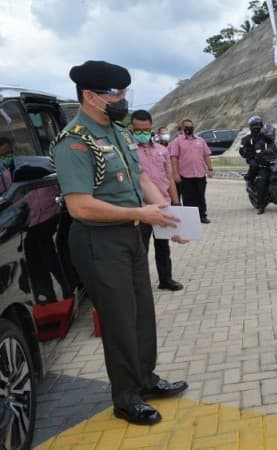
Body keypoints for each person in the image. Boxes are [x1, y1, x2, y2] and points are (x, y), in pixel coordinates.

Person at [51, 60, 188, 425]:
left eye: (125, 92)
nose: (123, 100)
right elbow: (80, 206)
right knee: (119, 319)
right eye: (116, 94)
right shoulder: (75, 142)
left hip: (130, 234)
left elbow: (141, 177)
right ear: (90, 96)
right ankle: (125, 397)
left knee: (142, 311)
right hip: (99, 241)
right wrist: (140, 213)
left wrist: (168, 213)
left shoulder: (119, 132)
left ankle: (145, 379)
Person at [130, 109, 183, 291]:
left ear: (151, 127)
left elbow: (169, 178)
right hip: (142, 209)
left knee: (163, 247)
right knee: (141, 249)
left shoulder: (162, 150)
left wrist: (176, 203)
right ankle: (141, 285)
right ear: (131, 128)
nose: (142, 133)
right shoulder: (129, 151)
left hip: (163, 206)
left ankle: (166, 280)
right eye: (138, 130)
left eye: (145, 129)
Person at [169, 118, 213, 224]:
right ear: (182, 128)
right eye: (186, 127)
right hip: (185, 175)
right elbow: (174, 158)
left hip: (200, 174)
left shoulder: (200, 140)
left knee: (200, 196)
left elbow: (206, 155)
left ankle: (202, 216)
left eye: (190, 127)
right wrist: (175, 173)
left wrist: (210, 169)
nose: (189, 129)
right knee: (188, 198)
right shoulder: (177, 141)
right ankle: (190, 219)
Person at [240, 115, 277, 214]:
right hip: (258, 162)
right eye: (254, 125)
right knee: (261, 180)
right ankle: (261, 205)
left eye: (258, 125)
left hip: (271, 164)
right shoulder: (248, 139)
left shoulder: (270, 141)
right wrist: (251, 157)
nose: (257, 127)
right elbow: (243, 151)